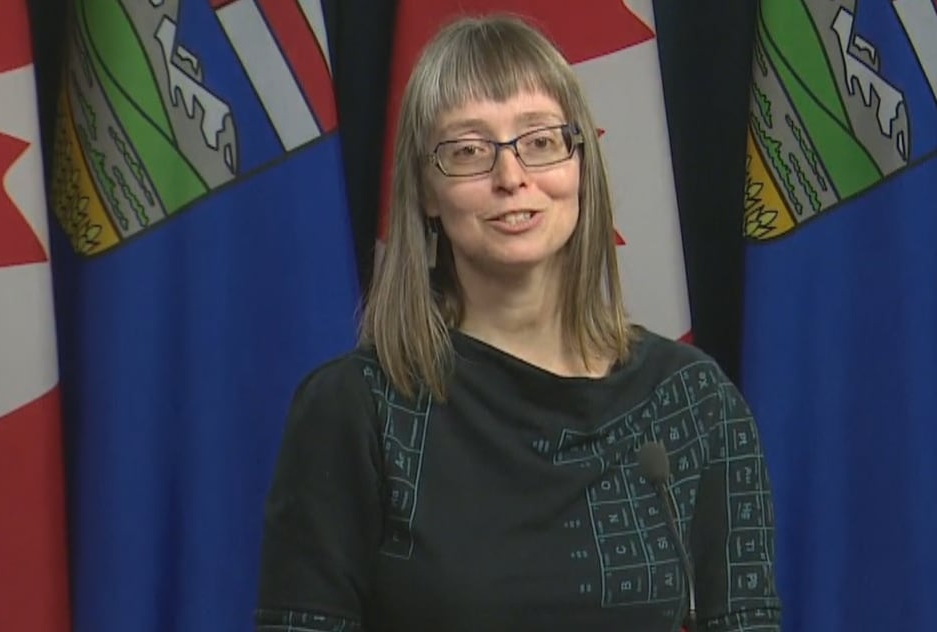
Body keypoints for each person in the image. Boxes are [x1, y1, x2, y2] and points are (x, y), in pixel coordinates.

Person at [255, 13, 781, 632]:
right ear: (426, 191)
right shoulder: (357, 409)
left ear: (580, 165)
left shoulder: (692, 402)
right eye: (470, 151)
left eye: (539, 141)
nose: (511, 177)